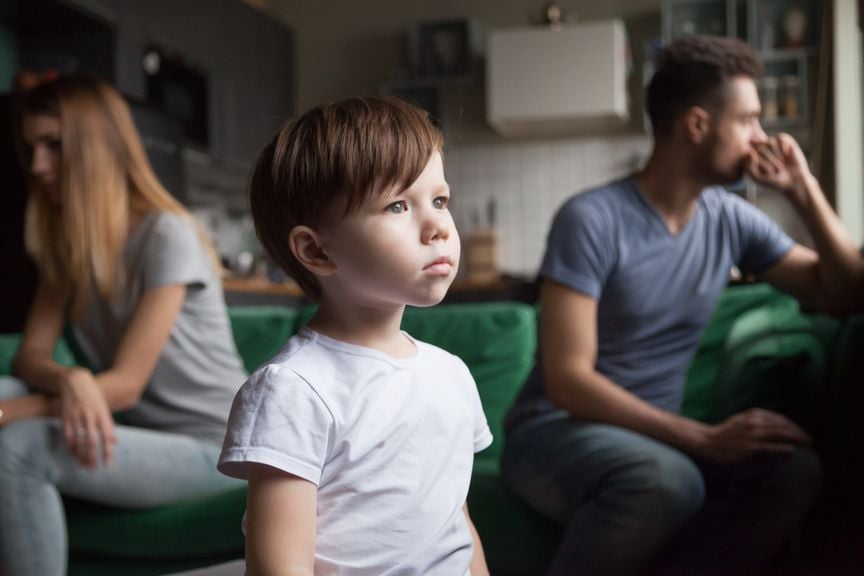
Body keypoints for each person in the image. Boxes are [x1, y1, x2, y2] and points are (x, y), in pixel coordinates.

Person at [502, 35, 864, 576]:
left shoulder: (730, 219)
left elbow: (847, 294)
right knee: (666, 480)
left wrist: (804, 190)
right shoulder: (592, 219)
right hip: (552, 433)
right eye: (748, 121)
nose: (762, 139)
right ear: (697, 126)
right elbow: (568, 382)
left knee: (792, 471)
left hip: (651, 443)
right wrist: (705, 438)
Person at [217, 96, 492, 575]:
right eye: (398, 204)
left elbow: (458, 528)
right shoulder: (293, 389)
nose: (438, 228)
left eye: (440, 200)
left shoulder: (451, 374)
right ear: (316, 251)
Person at [0, 75, 247, 576]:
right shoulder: (69, 247)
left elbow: (127, 385)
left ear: (97, 148)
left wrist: (10, 413)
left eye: (54, 145)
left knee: (17, 449)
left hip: (216, 448)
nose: (39, 166)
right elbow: (31, 356)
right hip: (134, 433)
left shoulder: (166, 234)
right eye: (32, 149)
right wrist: (70, 378)